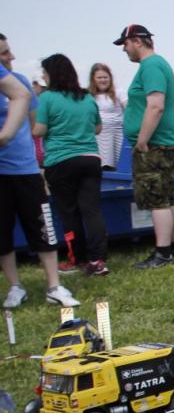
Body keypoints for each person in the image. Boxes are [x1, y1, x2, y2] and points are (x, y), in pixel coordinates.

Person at [0, 34, 79, 308]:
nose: (11, 57)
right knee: (2, 233)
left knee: (43, 228)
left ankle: (54, 286)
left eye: (9, 50)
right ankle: (15, 287)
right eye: (4, 53)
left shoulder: (21, 83)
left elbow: (35, 126)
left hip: (25, 169)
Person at [32, 54, 109, 276]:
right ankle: (98, 260)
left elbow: (39, 130)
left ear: (52, 74)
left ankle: (77, 259)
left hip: (61, 160)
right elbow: (97, 129)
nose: (44, 77)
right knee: (92, 211)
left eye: (45, 73)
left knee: (69, 212)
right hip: (90, 158)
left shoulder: (47, 98)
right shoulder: (87, 98)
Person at [115, 23, 174, 268]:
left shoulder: (151, 65)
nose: (124, 49)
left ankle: (162, 253)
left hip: (153, 144)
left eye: (125, 44)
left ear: (137, 41)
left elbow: (156, 106)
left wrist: (142, 139)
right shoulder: (157, 64)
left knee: (157, 200)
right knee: (167, 196)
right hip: (163, 143)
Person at [88, 63, 125, 170]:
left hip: (118, 134)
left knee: (119, 165)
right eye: (99, 77)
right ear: (93, 79)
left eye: (105, 77)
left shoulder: (118, 92)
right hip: (97, 136)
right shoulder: (88, 96)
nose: (103, 80)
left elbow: (128, 105)